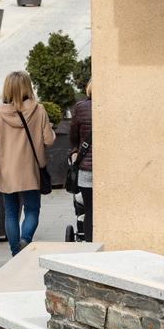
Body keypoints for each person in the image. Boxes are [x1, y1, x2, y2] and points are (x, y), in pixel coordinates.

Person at [0, 71, 55, 255]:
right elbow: (49, 140)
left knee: (10, 212)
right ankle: (25, 240)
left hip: (7, 174)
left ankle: (16, 252)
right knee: (32, 209)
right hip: (31, 171)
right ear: (27, 87)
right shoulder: (38, 110)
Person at [69, 81, 94, 241]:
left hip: (86, 169)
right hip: (109, 170)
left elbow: (73, 136)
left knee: (90, 212)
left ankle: (91, 247)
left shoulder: (81, 107)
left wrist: (74, 151)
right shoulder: (114, 106)